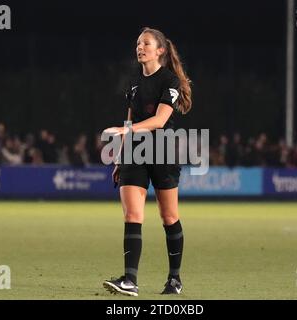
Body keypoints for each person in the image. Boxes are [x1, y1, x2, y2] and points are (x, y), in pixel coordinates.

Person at [102, 27, 192, 296]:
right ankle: (130, 280)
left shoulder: (170, 81)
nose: (140, 47)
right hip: (135, 152)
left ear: (160, 50)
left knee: (169, 216)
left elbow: (159, 121)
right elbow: (132, 120)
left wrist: (121, 131)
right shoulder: (133, 82)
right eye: (138, 44)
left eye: (146, 44)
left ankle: (174, 279)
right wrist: (119, 156)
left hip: (163, 152)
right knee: (132, 214)